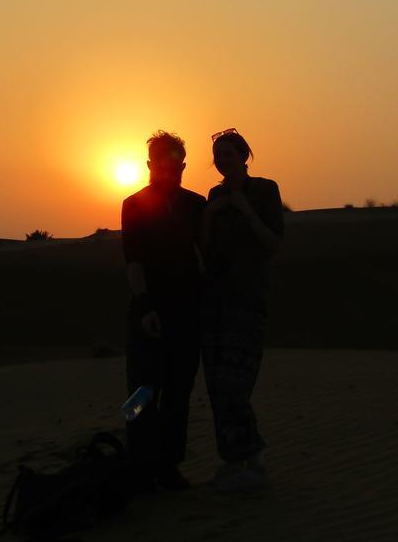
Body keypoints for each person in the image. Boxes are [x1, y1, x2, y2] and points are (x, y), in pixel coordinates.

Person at [121, 130, 206, 491]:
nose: (172, 170)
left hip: (187, 312)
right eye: (164, 162)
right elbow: (134, 261)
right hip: (149, 312)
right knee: (141, 394)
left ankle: (169, 466)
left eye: (178, 163)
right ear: (150, 165)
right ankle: (139, 466)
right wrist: (145, 307)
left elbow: (208, 256)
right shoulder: (134, 204)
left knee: (177, 393)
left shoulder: (195, 204)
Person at [201, 128, 283, 492]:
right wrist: (211, 213)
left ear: (244, 156)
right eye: (217, 155)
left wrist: (246, 210)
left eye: (228, 154)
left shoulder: (265, 190)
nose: (221, 160)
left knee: (236, 384)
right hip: (215, 301)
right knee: (216, 385)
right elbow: (204, 247)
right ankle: (233, 460)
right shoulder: (215, 195)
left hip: (248, 300)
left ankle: (254, 458)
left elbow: (272, 243)